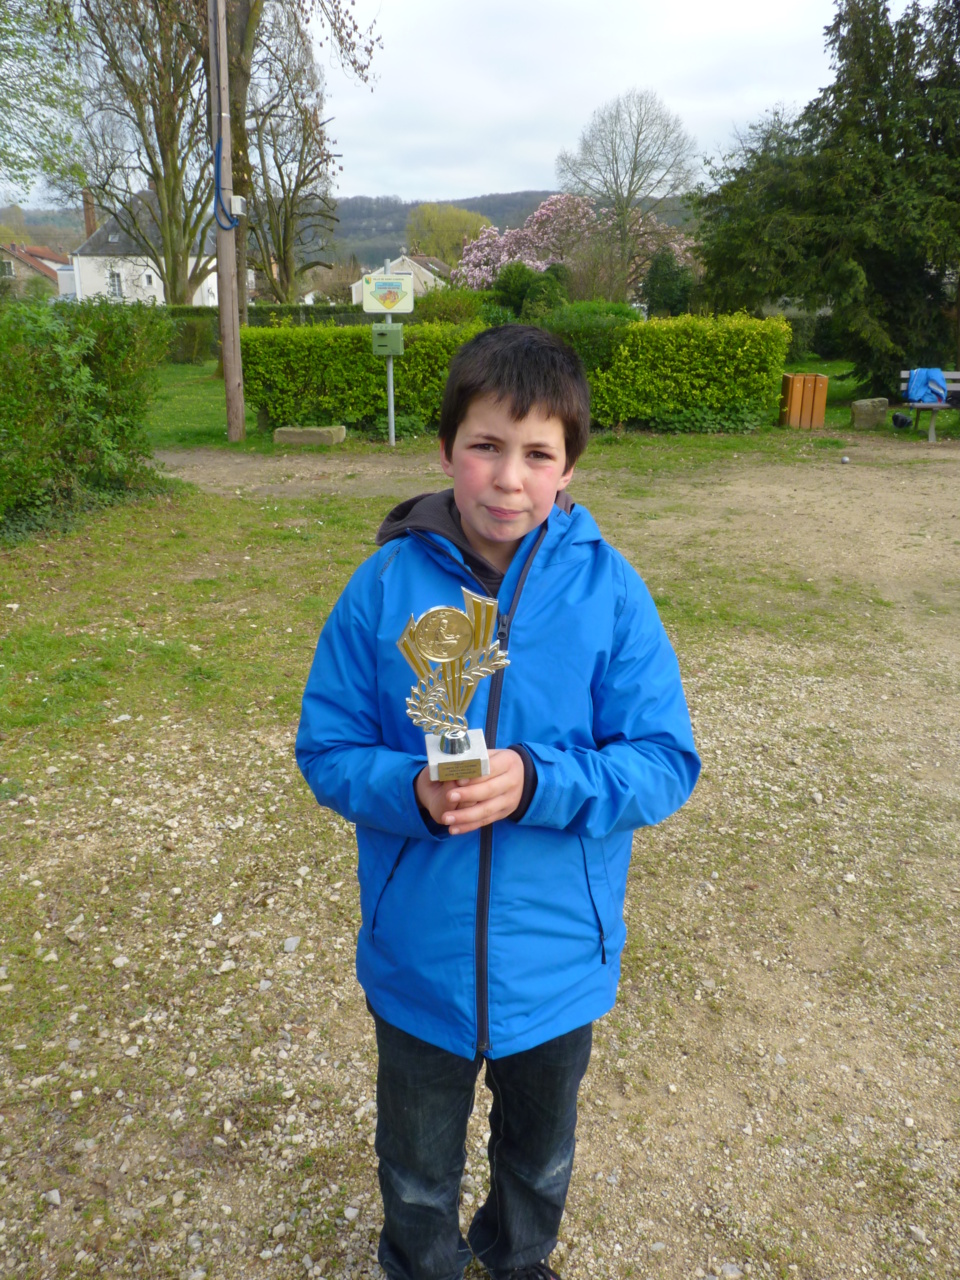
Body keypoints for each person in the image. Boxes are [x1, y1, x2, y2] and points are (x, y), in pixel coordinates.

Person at [296, 325, 700, 1280]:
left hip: (558, 963)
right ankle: (423, 1264)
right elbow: (327, 749)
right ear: (445, 451)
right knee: (417, 1169)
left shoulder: (611, 593)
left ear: (568, 470)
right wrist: (408, 792)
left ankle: (518, 1262)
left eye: (537, 454)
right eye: (485, 446)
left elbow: (664, 761)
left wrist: (539, 779)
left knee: (538, 1159)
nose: (507, 479)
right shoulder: (383, 586)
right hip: (418, 965)